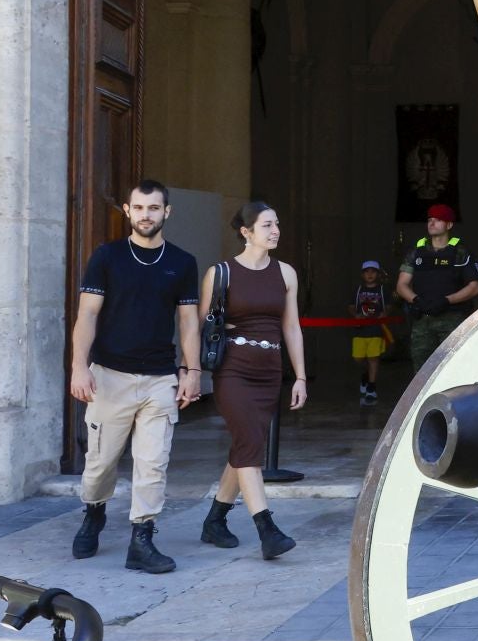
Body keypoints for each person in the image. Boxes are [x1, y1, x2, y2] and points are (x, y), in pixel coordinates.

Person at [69, 179, 202, 574]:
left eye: (154, 208)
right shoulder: (107, 257)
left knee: (153, 462)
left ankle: (142, 538)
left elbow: (188, 322)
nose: (147, 215)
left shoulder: (182, 262)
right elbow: (87, 314)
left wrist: (192, 371)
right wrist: (79, 366)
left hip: (160, 378)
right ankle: (94, 512)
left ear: (167, 212)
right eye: (139, 208)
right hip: (109, 375)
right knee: (99, 464)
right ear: (127, 211)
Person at [197, 202, 303, 559]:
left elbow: (291, 326)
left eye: (277, 224)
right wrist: (190, 372)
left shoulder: (285, 273)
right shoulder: (221, 273)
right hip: (233, 369)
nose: (275, 231)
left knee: (246, 446)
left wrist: (299, 376)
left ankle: (215, 520)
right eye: (267, 225)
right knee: (250, 446)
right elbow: (202, 325)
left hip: (268, 369)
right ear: (246, 232)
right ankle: (266, 529)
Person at [396, 204, 478, 369]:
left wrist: (447, 300)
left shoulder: (460, 252)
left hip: (452, 321)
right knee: (421, 372)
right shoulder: (416, 252)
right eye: (430, 220)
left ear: (449, 225)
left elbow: (475, 287)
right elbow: (402, 285)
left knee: (453, 369)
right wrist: (416, 300)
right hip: (423, 321)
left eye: (438, 220)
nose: (432, 223)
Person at [350, 259, 388, 406]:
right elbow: (351, 306)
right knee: (358, 359)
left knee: (373, 357)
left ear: (378, 274)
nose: (370, 274)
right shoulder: (357, 290)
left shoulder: (383, 290)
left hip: (376, 330)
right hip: (360, 330)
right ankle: (366, 375)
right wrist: (355, 315)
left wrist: (385, 313)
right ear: (362, 274)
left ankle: (371, 387)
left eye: (373, 271)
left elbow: (389, 306)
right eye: (367, 272)